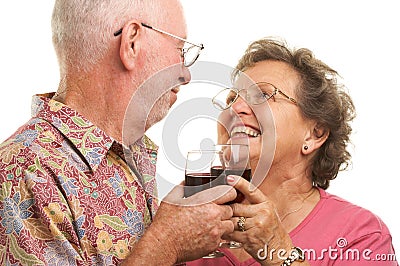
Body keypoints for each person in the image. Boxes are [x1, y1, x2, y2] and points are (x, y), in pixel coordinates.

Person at [0, 0, 237, 265]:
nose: (186, 74)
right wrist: (167, 242)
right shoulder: (24, 171)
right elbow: (163, 245)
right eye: (180, 50)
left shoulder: (129, 155)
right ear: (132, 43)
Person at [186, 38, 398, 265]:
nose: (235, 108)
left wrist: (277, 251)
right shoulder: (187, 229)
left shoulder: (361, 235)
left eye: (263, 95)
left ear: (314, 135)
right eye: (231, 98)